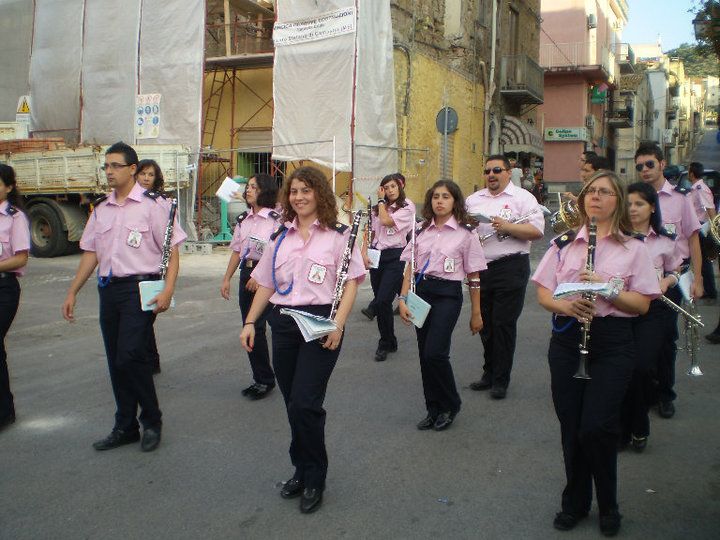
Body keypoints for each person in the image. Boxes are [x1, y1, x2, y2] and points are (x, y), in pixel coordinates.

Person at [532, 170, 660, 537]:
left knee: (597, 427)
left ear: (617, 201)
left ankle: (608, 504)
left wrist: (607, 290)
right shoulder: (564, 243)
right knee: (572, 427)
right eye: (591, 191)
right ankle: (574, 502)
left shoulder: (634, 248)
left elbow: (642, 304)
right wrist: (566, 306)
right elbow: (543, 292)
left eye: (604, 192)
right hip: (568, 338)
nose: (595, 197)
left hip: (613, 341)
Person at [239, 166, 365, 514]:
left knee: (305, 403)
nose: (299, 197)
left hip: (322, 322)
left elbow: (351, 283)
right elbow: (266, 282)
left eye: (306, 190)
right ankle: (300, 467)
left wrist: (338, 325)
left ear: (319, 194)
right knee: (292, 402)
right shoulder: (280, 236)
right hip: (284, 322)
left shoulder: (339, 236)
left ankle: (315, 477)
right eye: (294, 191)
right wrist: (250, 321)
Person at [61, 142, 186, 452]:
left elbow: (171, 251)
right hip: (109, 290)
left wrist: (168, 289)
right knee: (116, 360)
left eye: (115, 165)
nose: (109, 171)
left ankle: (152, 420)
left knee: (129, 354)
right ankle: (125, 426)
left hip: (140, 289)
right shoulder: (101, 208)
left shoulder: (153, 205)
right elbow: (91, 253)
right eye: (106, 166)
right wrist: (73, 290)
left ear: (132, 169)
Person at [397, 180, 486, 431]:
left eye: (446, 196)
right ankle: (433, 408)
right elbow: (410, 267)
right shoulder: (420, 229)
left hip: (448, 295)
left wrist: (476, 313)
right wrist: (402, 299)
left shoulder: (466, 233)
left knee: (435, 353)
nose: (439, 201)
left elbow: (474, 276)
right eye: (435, 196)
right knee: (424, 355)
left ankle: (451, 404)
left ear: (455, 201)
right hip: (421, 293)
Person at [465, 155, 544, 399]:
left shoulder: (523, 198)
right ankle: (489, 373)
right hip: (481, 267)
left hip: (511, 266)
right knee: (485, 324)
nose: (491, 175)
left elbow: (537, 231)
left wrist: (508, 227)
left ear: (509, 173)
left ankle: (501, 379)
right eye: (487, 171)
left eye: (497, 170)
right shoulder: (473, 200)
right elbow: (462, 230)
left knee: (503, 324)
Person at [635, 142, 702, 419]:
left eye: (650, 164)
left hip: (671, 277)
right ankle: (646, 391)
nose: (645, 170)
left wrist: (698, 278)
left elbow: (693, 238)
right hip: (639, 279)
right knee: (641, 338)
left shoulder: (680, 197)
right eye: (640, 166)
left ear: (662, 164)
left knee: (665, 339)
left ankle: (665, 394)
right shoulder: (635, 199)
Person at [620, 182, 683, 452]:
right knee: (622, 369)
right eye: (628, 204)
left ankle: (638, 422)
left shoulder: (665, 239)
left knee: (642, 366)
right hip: (621, 307)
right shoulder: (615, 237)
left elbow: (676, 270)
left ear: (652, 208)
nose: (633, 209)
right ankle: (628, 427)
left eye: (639, 204)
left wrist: (667, 282)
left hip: (654, 310)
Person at [221, 174, 281, 399]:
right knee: (251, 325)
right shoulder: (243, 219)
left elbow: (278, 251)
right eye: (248, 187)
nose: (248, 190)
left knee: (269, 325)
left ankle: (273, 377)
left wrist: (260, 275)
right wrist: (227, 278)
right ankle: (262, 379)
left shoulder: (275, 219)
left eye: (254, 187)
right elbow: (237, 250)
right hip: (247, 273)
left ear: (265, 191)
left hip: (268, 276)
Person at [361, 174, 414, 361]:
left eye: (393, 186)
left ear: (399, 187)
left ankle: (384, 343)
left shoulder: (406, 206)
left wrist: (381, 202)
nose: (390, 190)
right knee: (381, 302)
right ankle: (389, 340)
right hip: (376, 254)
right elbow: (370, 229)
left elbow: (387, 221)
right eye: (386, 187)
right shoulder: (378, 208)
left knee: (383, 300)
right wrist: (364, 252)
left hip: (395, 255)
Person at [0, 164, 30, 433]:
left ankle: (4, 411)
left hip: (4, 288)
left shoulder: (14, 217)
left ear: (9, 187)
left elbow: (21, 258)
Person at [136, 159, 165, 374]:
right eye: (143, 173)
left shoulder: (160, 202)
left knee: (144, 320)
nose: (146, 178)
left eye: (150, 175)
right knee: (141, 321)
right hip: (131, 270)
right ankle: (150, 360)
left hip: (151, 270)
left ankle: (148, 361)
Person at [688, 162, 717, 300]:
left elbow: (710, 209)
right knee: (701, 260)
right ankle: (708, 289)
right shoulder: (696, 188)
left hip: (702, 229)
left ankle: (710, 291)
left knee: (703, 261)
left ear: (692, 174)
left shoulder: (700, 189)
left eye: (689, 171)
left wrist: (715, 230)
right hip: (698, 227)